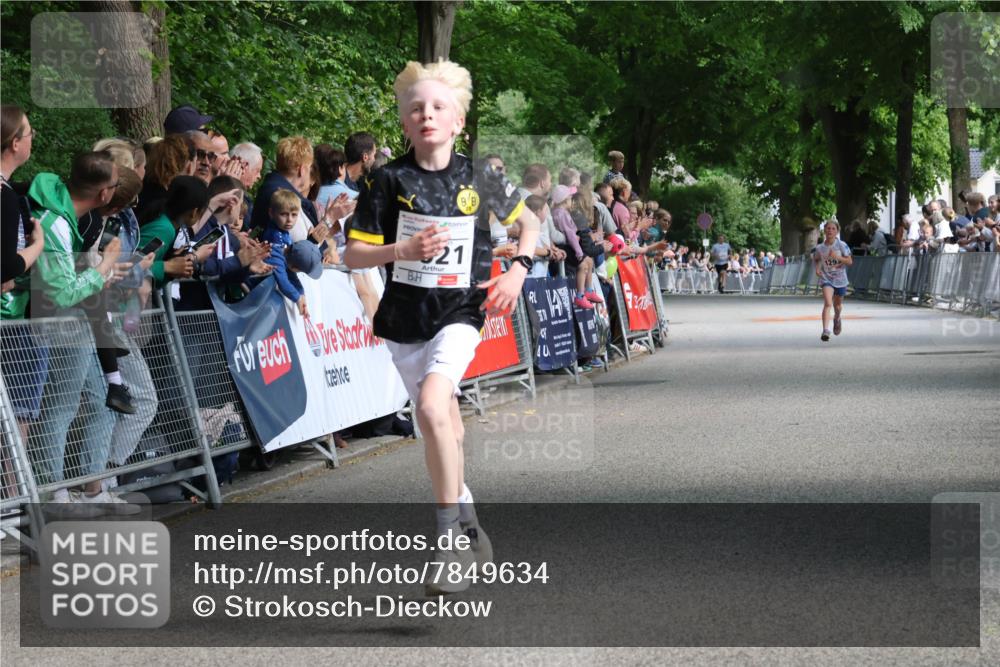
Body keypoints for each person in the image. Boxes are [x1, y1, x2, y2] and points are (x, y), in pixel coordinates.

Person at [344, 59, 540, 596]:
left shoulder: (481, 177)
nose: (426, 115)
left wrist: (517, 272)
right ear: (404, 124)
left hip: (461, 311)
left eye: (438, 107)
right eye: (416, 109)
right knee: (443, 427)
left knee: (432, 406)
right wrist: (401, 249)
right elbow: (353, 254)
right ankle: (472, 525)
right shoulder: (387, 181)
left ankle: (449, 542)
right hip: (406, 318)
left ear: (458, 122)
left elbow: (531, 224)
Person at [28, 151, 141, 515]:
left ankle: (93, 490)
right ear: (105, 194)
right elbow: (63, 291)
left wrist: (104, 272)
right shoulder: (58, 223)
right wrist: (105, 265)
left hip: (80, 322)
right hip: (57, 322)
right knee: (60, 407)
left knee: (103, 401)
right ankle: (54, 495)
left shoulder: (70, 217)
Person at [262, 189, 316, 318]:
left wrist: (301, 293)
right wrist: (297, 297)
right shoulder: (274, 242)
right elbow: (282, 277)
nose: (289, 220)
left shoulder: (284, 235)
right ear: (271, 213)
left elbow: (290, 271)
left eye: (294, 214)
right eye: (284, 214)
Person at [812, 219, 853, 342]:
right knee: (828, 303)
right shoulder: (820, 248)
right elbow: (817, 259)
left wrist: (837, 257)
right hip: (827, 278)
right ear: (824, 230)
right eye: (828, 228)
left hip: (840, 278)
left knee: (838, 306)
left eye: (833, 228)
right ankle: (825, 330)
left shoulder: (841, 245)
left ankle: (837, 318)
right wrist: (818, 268)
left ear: (837, 231)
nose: (830, 230)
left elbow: (850, 261)